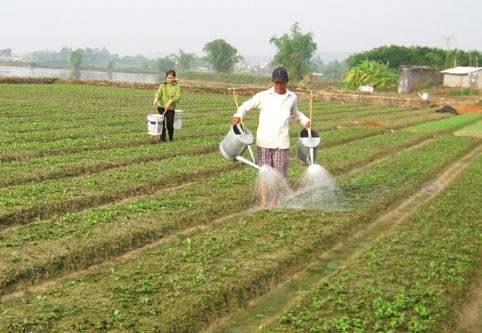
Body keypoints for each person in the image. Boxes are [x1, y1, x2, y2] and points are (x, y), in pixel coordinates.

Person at [232, 66, 311, 209]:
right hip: (264, 141)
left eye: (281, 83)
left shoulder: (291, 98)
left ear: (287, 81)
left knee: (279, 175)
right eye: (276, 83)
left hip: (282, 142)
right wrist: (238, 116)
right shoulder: (263, 96)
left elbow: (295, 113)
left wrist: (305, 121)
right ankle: (263, 203)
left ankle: (274, 201)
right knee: (264, 173)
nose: (279, 86)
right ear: (272, 82)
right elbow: (246, 105)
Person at [153, 70, 181, 142]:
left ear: (174, 78)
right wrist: (156, 99)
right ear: (166, 78)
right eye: (168, 78)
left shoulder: (177, 86)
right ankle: (163, 139)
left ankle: (171, 137)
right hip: (161, 106)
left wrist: (172, 101)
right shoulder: (163, 85)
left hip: (170, 108)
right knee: (161, 123)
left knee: (170, 124)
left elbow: (178, 97)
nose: (170, 80)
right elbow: (159, 93)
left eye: (171, 78)